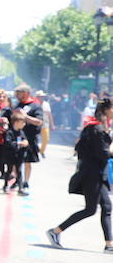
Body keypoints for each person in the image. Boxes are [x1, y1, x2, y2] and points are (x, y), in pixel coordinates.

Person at [47, 99, 113, 251]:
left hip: (98, 173)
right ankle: (55, 231)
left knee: (107, 206)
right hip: (92, 174)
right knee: (90, 209)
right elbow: (103, 154)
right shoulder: (96, 128)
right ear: (106, 110)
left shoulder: (98, 127)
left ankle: (109, 245)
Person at [8, 85, 43, 195]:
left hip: (30, 137)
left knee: (27, 161)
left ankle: (26, 182)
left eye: (20, 93)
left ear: (26, 93)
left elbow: (39, 121)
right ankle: (17, 181)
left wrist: (26, 117)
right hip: (17, 136)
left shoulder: (35, 106)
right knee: (15, 161)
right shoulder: (18, 105)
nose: (17, 95)